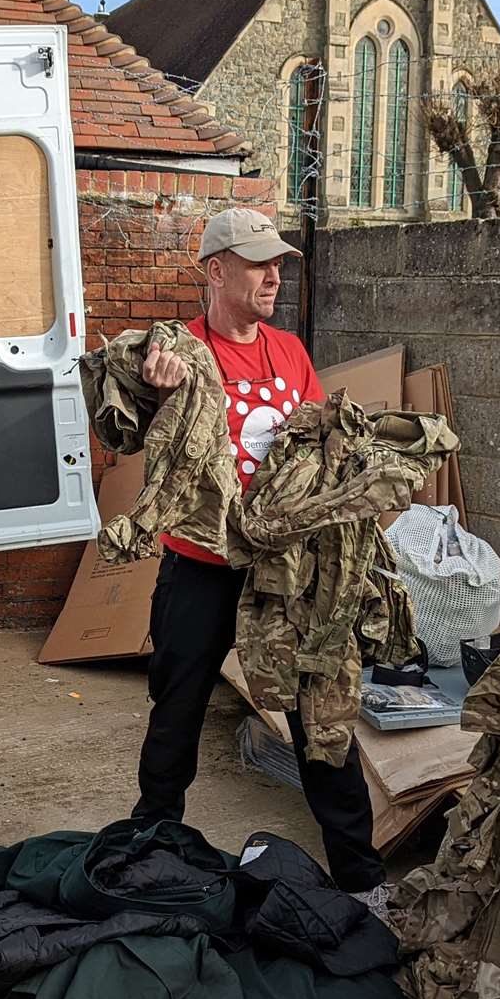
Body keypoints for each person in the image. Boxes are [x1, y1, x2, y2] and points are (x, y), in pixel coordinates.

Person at [130, 207, 391, 916]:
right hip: (202, 563)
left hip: (286, 571)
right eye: (256, 263)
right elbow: (123, 411)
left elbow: (312, 447)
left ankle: (362, 879)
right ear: (215, 271)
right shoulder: (175, 349)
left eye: (278, 262)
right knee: (175, 710)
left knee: (318, 712)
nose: (274, 275)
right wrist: (153, 385)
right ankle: (150, 853)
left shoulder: (290, 350)